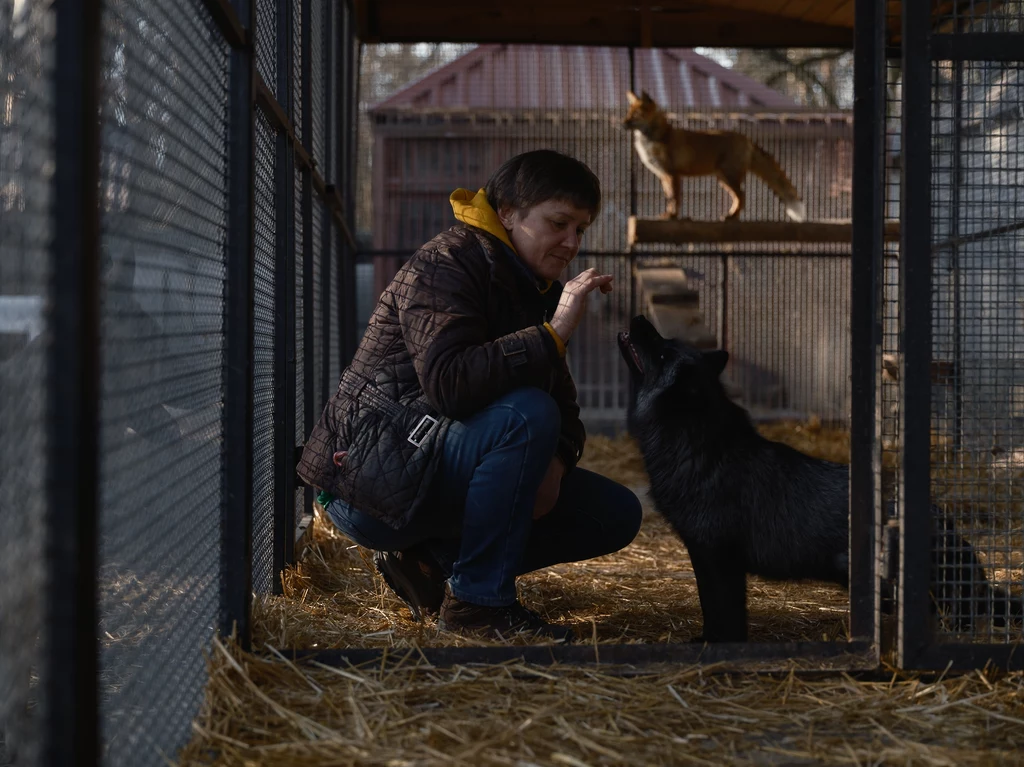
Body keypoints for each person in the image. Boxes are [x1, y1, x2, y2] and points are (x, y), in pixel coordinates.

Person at [297, 149, 642, 642]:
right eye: (559, 223)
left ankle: (432, 565)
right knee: (525, 416)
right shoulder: (445, 263)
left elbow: (565, 409)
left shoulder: (534, 286)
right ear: (507, 214)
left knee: (614, 513)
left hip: (435, 473)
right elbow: (450, 384)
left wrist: (558, 463)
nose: (572, 243)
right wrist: (553, 332)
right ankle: (479, 607)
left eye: (581, 230)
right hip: (371, 486)